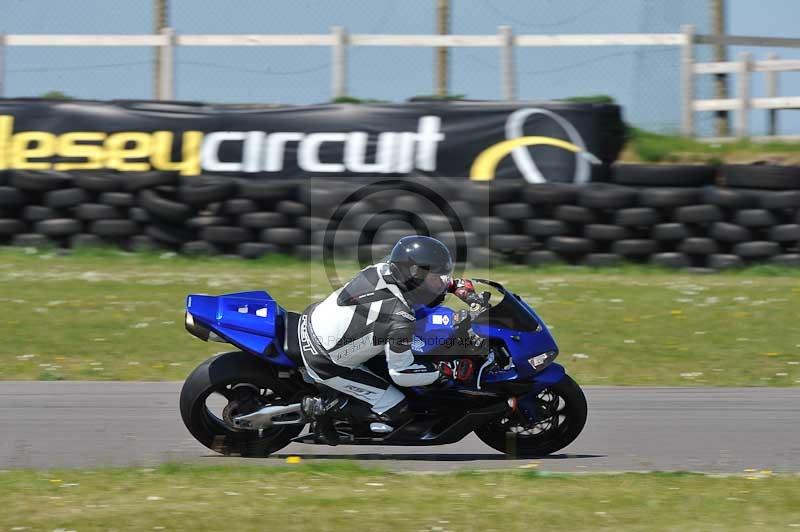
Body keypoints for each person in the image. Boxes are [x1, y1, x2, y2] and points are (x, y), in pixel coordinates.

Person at [298, 235, 483, 443]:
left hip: (317, 319)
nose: (440, 281)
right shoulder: (399, 317)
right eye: (435, 277)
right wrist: (445, 371)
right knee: (399, 411)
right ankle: (323, 406)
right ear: (414, 276)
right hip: (326, 361)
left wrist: (456, 287)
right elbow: (402, 373)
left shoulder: (387, 268)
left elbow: (426, 281)